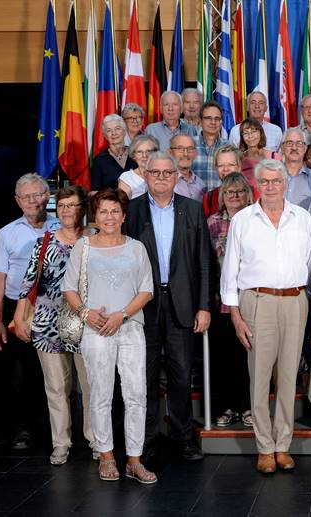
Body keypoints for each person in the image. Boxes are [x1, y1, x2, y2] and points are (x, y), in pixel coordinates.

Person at [220, 159, 311, 474]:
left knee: (288, 377)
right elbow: (230, 269)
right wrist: (235, 315)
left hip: (294, 300)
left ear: (285, 183)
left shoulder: (301, 217)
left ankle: (283, 445)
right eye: (266, 181)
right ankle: (264, 447)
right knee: (259, 376)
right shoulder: (244, 220)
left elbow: (309, 263)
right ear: (257, 184)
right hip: (256, 300)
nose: (272, 186)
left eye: (277, 181)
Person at [62, 188, 154, 483]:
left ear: (124, 215)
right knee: (101, 393)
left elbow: (146, 290)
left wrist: (122, 315)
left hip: (129, 328)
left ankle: (135, 460)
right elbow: (69, 288)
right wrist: (86, 314)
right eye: (103, 211)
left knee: (136, 394)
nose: (110, 216)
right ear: (94, 215)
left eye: (115, 211)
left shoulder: (136, 248)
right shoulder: (83, 247)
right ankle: (106, 456)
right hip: (95, 330)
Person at [125, 151, 211, 463]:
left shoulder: (191, 209)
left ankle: (182, 439)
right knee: (143, 378)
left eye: (167, 173)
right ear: (145, 176)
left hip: (183, 305)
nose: (161, 178)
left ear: (176, 176)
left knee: (180, 376)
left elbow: (203, 262)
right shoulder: (131, 210)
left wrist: (204, 306)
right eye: (154, 173)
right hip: (142, 307)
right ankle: (144, 443)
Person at [13, 185, 96, 465]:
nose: (66, 211)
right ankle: (61, 443)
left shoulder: (94, 239)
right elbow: (28, 285)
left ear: (82, 208)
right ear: (56, 210)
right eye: (62, 206)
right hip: (47, 324)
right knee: (56, 388)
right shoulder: (44, 242)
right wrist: (20, 317)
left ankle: (96, 441)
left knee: (91, 386)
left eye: (72, 205)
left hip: (86, 323)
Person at [0, 174, 61, 450]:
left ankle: (55, 430)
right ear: (18, 201)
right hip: (17, 310)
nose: (33, 201)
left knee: (54, 373)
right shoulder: (7, 233)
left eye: (38, 195)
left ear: (47, 196)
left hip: (54, 308)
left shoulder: (61, 227)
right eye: (26, 197)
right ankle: (23, 430)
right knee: (20, 373)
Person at [207, 173, 254, 428]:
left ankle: (247, 405)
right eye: (229, 192)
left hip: (250, 301)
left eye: (239, 191)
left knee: (247, 357)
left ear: (248, 195)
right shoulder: (212, 223)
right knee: (222, 359)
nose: (234, 196)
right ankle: (225, 407)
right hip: (221, 302)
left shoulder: (256, 221)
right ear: (222, 198)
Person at [202, 145, 258, 218]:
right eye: (221, 165)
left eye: (230, 165)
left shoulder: (255, 194)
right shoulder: (209, 198)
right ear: (216, 168)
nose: (225, 169)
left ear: (239, 166)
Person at [281, 128, 311, 210]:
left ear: (305, 148)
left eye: (299, 143)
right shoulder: (271, 176)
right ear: (282, 147)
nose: (294, 148)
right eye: (289, 143)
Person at [91, 114, 138, 193]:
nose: (114, 133)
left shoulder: (136, 154)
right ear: (105, 135)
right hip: (111, 203)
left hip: (137, 203)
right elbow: (94, 192)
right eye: (109, 130)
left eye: (117, 128)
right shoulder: (99, 160)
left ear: (124, 131)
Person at [193, 100, 228, 191]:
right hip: (193, 202)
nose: (213, 122)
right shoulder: (189, 145)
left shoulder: (229, 147)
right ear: (200, 121)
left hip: (219, 202)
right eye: (208, 118)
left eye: (217, 119)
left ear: (221, 122)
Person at [240, 118, 282, 184]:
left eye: (253, 131)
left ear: (261, 133)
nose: (250, 136)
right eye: (245, 133)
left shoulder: (275, 157)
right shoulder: (239, 159)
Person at [119, 135, 159, 200]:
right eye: (139, 152)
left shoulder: (165, 174)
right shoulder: (126, 177)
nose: (144, 155)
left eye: (148, 151)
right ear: (134, 155)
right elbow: (123, 205)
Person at [169, 134, 206, 202]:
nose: (185, 154)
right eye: (180, 148)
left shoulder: (201, 185)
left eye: (190, 149)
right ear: (170, 152)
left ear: (195, 153)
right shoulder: (163, 182)